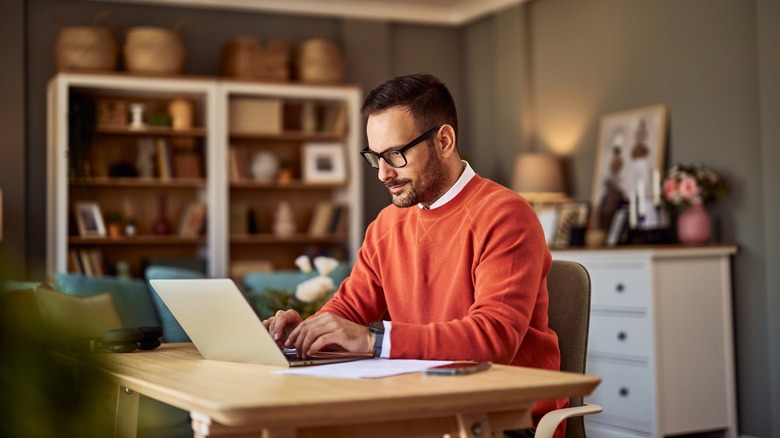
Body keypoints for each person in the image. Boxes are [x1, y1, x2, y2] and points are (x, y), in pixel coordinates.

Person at [263, 73, 566, 437]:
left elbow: (494, 338)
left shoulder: (505, 215)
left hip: (504, 418)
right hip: (418, 405)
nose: (384, 174)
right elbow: (348, 309)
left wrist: (372, 340)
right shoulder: (386, 225)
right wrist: (308, 333)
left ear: (444, 141)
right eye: (376, 158)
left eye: (395, 155)